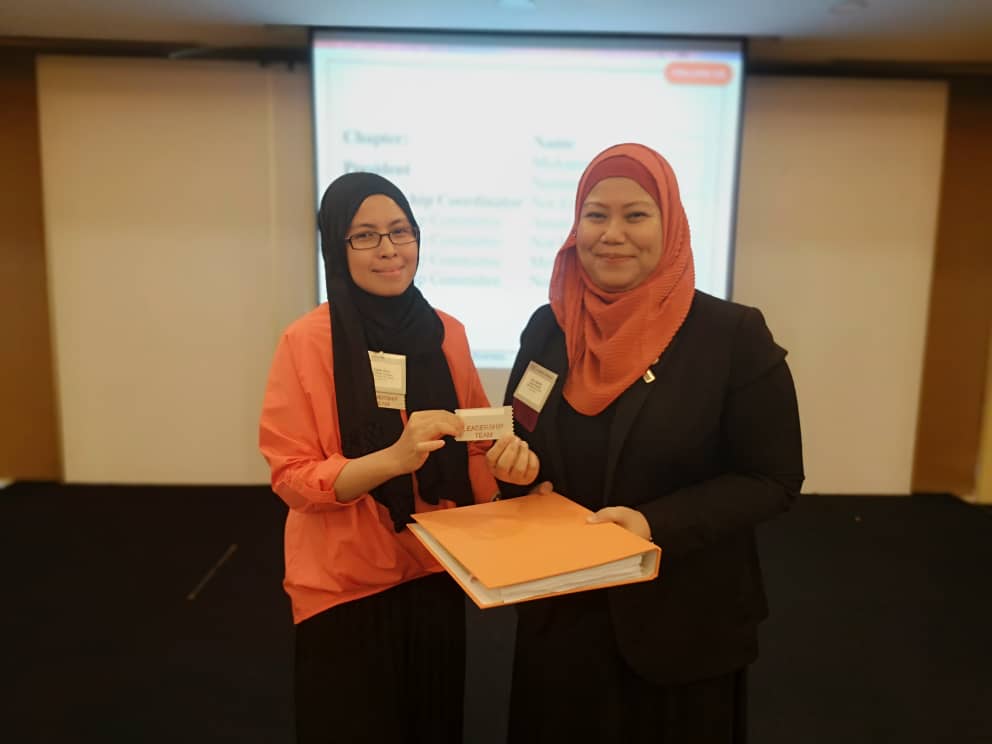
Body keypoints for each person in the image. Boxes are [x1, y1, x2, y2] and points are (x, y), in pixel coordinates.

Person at [486, 143, 804, 743]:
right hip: (562, 615)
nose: (613, 234)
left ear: (670, 224)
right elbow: (520, 436)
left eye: (636, 215)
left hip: (680, 622)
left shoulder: (732, 336)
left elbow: (773, 480)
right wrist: (515, 474)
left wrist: (652, 524)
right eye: (596, 215)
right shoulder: (549, 327)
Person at [257, 172, 534, 743]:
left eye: (400, 231)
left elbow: (474, 443)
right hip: (346, 581)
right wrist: (392, 459)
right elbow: (291, 477)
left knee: (432, 724)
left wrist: (506, 471)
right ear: (337, 246)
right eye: (365, 235)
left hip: (436, 565)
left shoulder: (447, 332)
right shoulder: (306, 342)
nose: (388, 249)